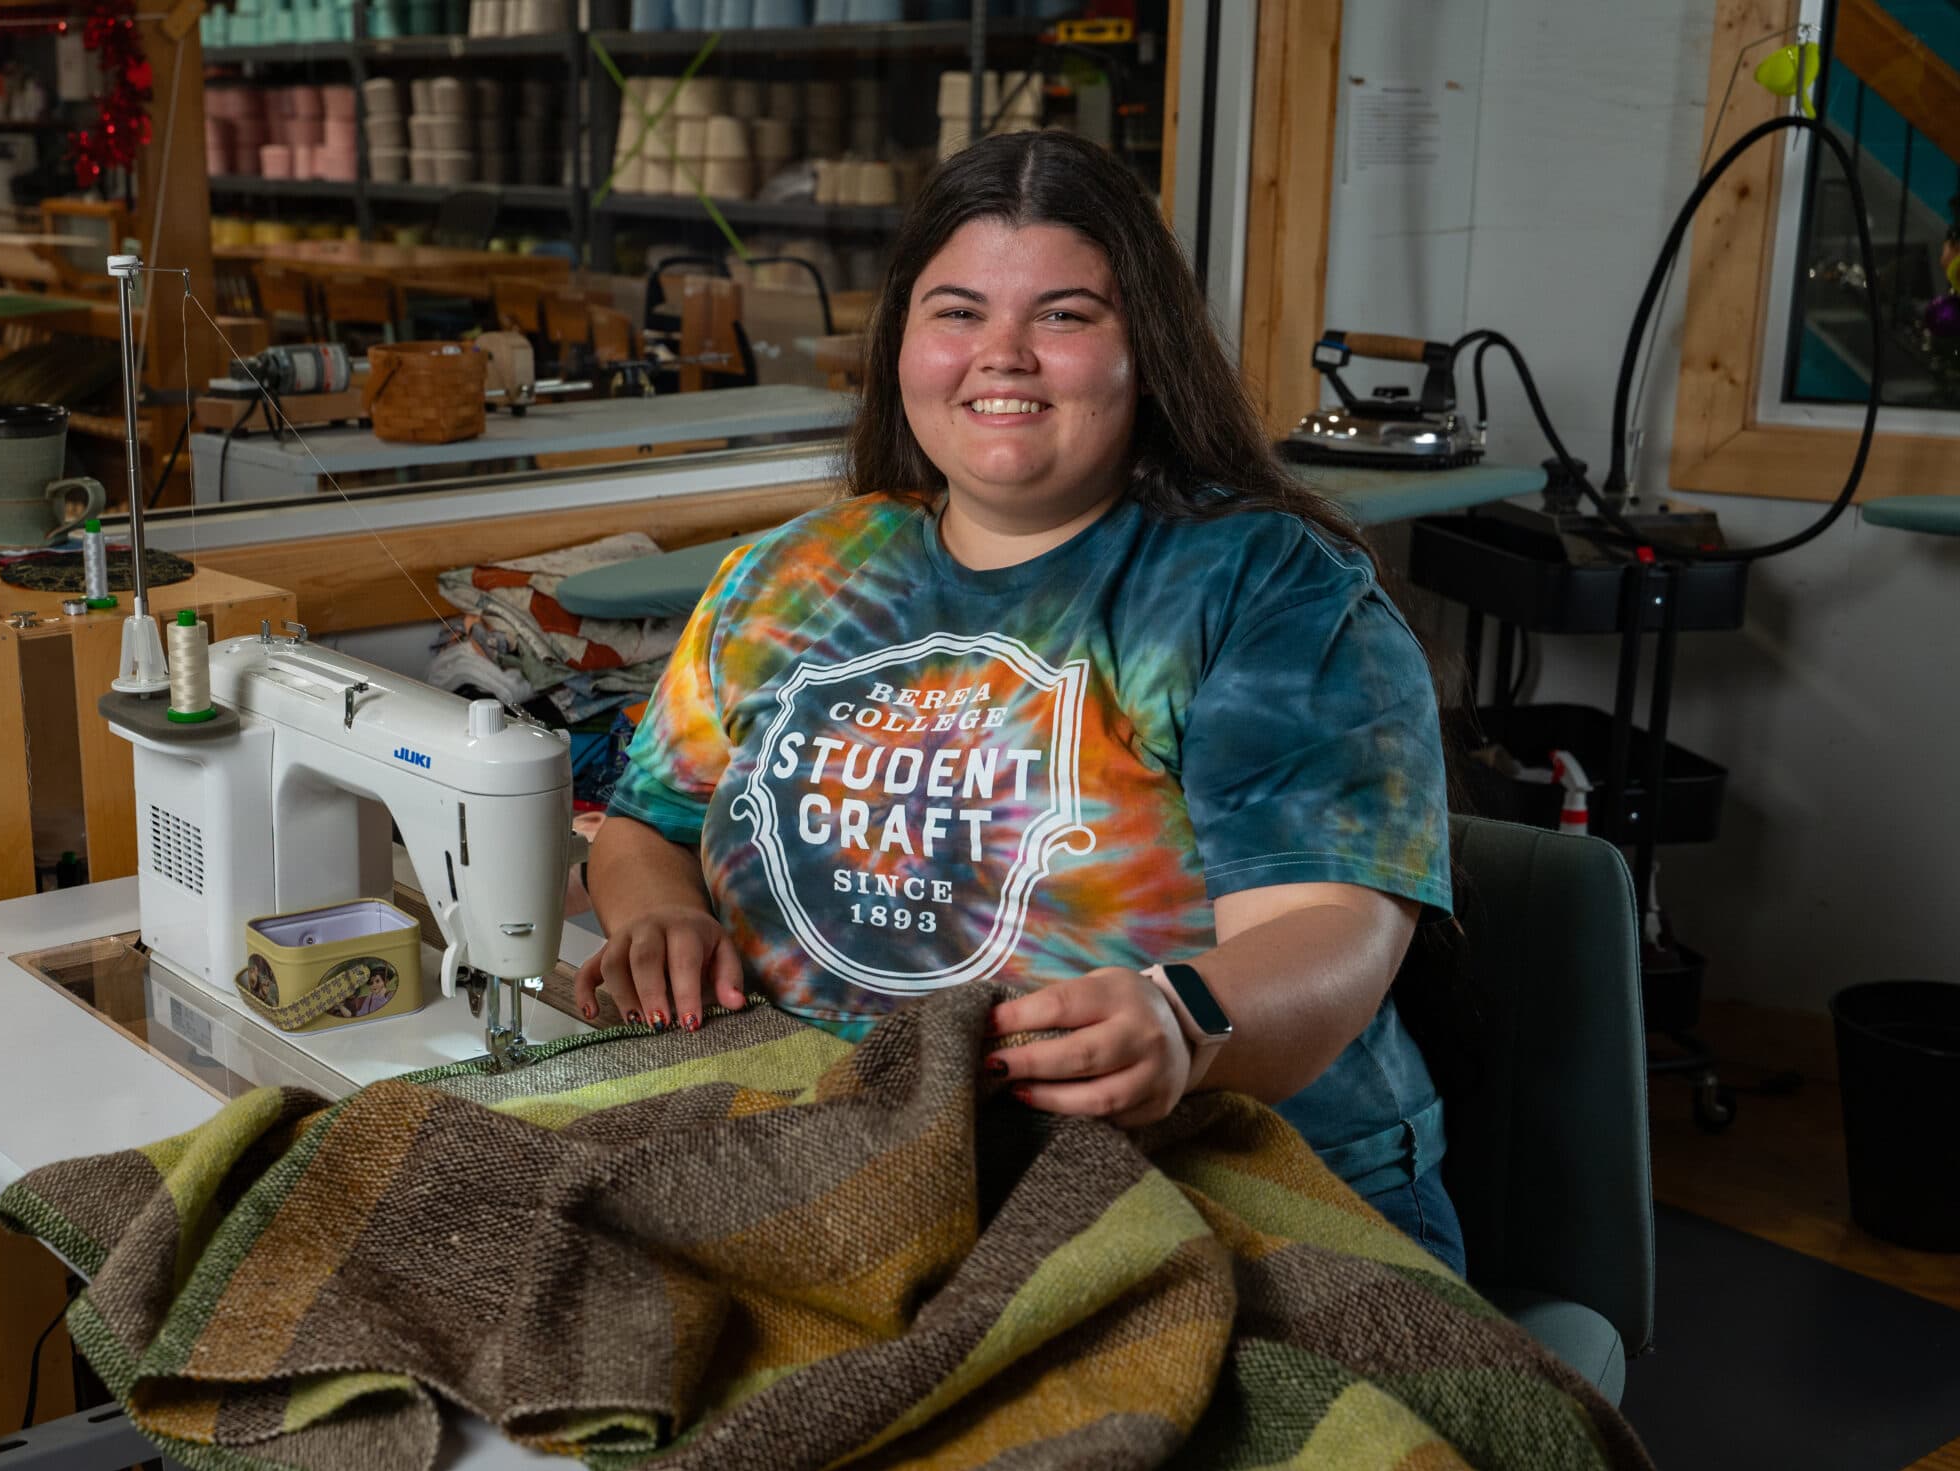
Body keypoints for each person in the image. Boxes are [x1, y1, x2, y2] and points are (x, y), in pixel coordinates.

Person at [575, 129, 1466, 1271]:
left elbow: (1331, 931)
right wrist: (657, 914)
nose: (1002, 355)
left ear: (1143, 345)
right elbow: (646, 820)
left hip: (1228, 1187)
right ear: (902, 343)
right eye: (956, 312)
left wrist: (1184, 1018)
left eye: (1063, 315)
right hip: (857, 1160)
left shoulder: (1266, 590)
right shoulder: (789, 578)